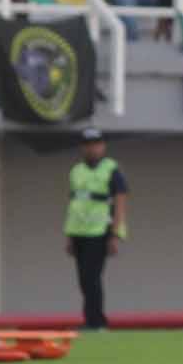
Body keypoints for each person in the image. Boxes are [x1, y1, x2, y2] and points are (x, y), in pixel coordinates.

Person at [64, 128, 128, 331]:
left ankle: (97, 322)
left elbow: (120, 201)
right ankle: (90, 319)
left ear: (103, 146)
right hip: (79, 231)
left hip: (100, 231)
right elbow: (74, 204)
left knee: (92, 277)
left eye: (96, 144)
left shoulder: (111, 170)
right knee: (83, 279)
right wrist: (69, 237)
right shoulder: (76, 171)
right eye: (88, 145)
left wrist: (116, 233)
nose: (92, 149)